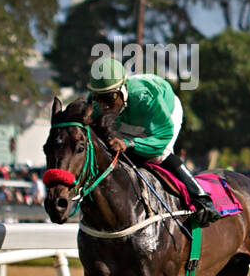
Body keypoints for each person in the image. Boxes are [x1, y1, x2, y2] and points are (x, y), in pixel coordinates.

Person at [87, 57, 218, 224]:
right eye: (98, 97)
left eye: (110, 97)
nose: (104, 106)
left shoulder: (145, 97)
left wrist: (129, 144)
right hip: (129, 116)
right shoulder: (95, 103)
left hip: (163, 113)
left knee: (159, 155)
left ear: (122, 89)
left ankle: (202, 198)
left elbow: (161, 138)